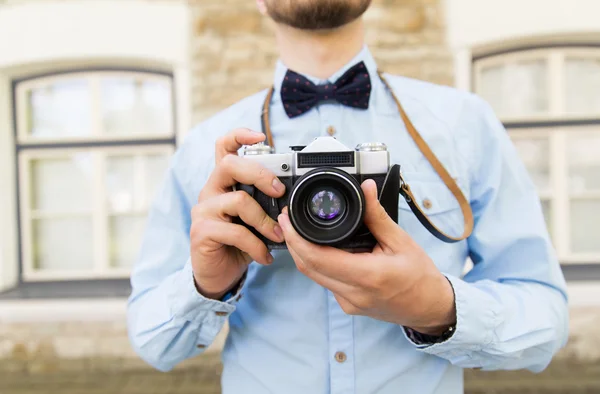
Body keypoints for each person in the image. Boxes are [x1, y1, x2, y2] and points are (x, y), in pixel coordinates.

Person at [127, 1, 569, 393]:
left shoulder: (464, 125)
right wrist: (206, 284)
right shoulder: (209, 149)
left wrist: (437, 307)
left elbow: (546, 321)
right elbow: (153, 343)